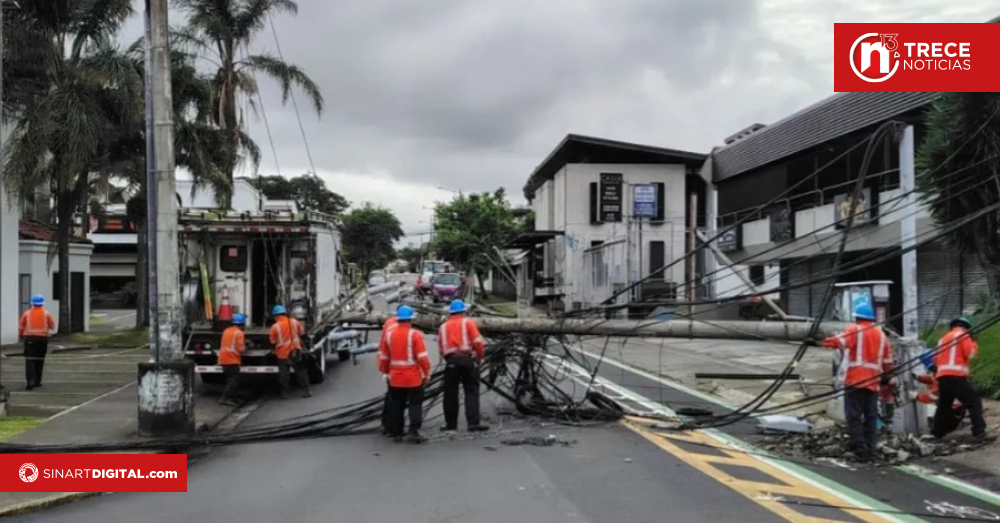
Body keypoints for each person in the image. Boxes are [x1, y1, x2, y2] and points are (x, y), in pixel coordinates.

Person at [819, 303, 893, 460]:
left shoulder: (855, 330)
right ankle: (870, 448)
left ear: (857, 317)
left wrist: (818, 342)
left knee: (854, 416)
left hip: (855, 381)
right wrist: (886, 376)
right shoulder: (881, 336)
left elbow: (838, 342)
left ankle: (860, 450)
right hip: (873, 382)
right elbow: (888, 361)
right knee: (871, 416)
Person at [377, 305, 431, 443]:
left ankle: (397, 433)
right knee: (415, 404)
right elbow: (422, 358)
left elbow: (383, 356)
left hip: (395, 378)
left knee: (397, 405)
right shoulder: (415, 335)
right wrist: (427, 373)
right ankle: (413, 432)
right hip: (413, 378)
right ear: (410, 320)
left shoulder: (389, 335)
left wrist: (385, 371)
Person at [438, 299, 489, 432]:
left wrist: (450, 360)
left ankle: (451, 425)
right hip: (467, 360)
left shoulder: (443, 327)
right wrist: (479, 358)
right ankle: (473, 423)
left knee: (450, 394)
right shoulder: (468, 323)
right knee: (471, 391)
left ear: (450, 313)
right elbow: (478, 343)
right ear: (463, 311)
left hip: (451, 362)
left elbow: (441, 349)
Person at [931, 317, 986, 440]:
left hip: (942, 377)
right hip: (956, 376)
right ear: (966, 328)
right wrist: (974, 342)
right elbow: (971, 354)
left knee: (944, 405)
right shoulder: (963, 336)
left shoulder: (942, 339)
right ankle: (979, 432)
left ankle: (937, 432)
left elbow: (935, 359)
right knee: (974, 402)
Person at [269, 304, 311, 399]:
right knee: (301, 371)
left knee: (284, 374)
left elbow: (272, 341)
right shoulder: (294, 322)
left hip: (283, 353)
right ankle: (306, 391)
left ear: (276, 316)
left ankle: (284, 393)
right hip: (296, 350)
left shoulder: (274, 327)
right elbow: (302, 333)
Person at [19, 294, 55, 390]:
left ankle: (30, 381)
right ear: (42, 303)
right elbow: (52, 326)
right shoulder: (46, 313)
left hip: (30, 339)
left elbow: (21, 327)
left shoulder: (27, 313)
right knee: (40, 360)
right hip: (42, 339)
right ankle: (37, 381)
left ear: (32, 303)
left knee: (30, 360)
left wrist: (21, 335)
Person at [218, 313, 247, 406]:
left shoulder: (226, 330)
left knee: (231, 380)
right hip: (232, 359)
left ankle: (233, 399)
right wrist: (245, 345)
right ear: (242, 324)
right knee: (234, 381)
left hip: (223, 358)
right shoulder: (239, 333)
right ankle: (225, 398)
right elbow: (241, 349)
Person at [380, 310, 401, 436]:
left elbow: (383, 350)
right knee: (398, 399)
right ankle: (393, 428)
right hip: (402, 371)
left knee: (392, 396)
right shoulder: (410, 333)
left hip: (391, 368)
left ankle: (387, 425)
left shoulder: (389, 323)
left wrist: (384, 369)